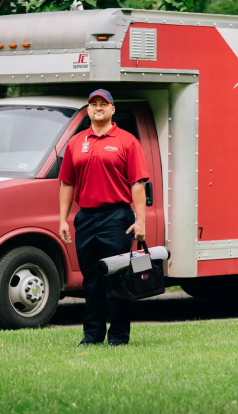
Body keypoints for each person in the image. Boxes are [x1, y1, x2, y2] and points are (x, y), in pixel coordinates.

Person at [58, 89, 149, 346]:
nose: (98, 107)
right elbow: (66, 183)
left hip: (117, 218)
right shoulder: (76, 142)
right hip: (86, 218)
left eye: (103, 104)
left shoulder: (127, 141)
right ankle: (92, 335)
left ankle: (118, 337)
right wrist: (63, 219)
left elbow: (138, 184)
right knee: (91, 281)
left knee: (117, 280)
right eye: (93, 104)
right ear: (88, 110)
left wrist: (140, 221)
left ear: (112, 109)